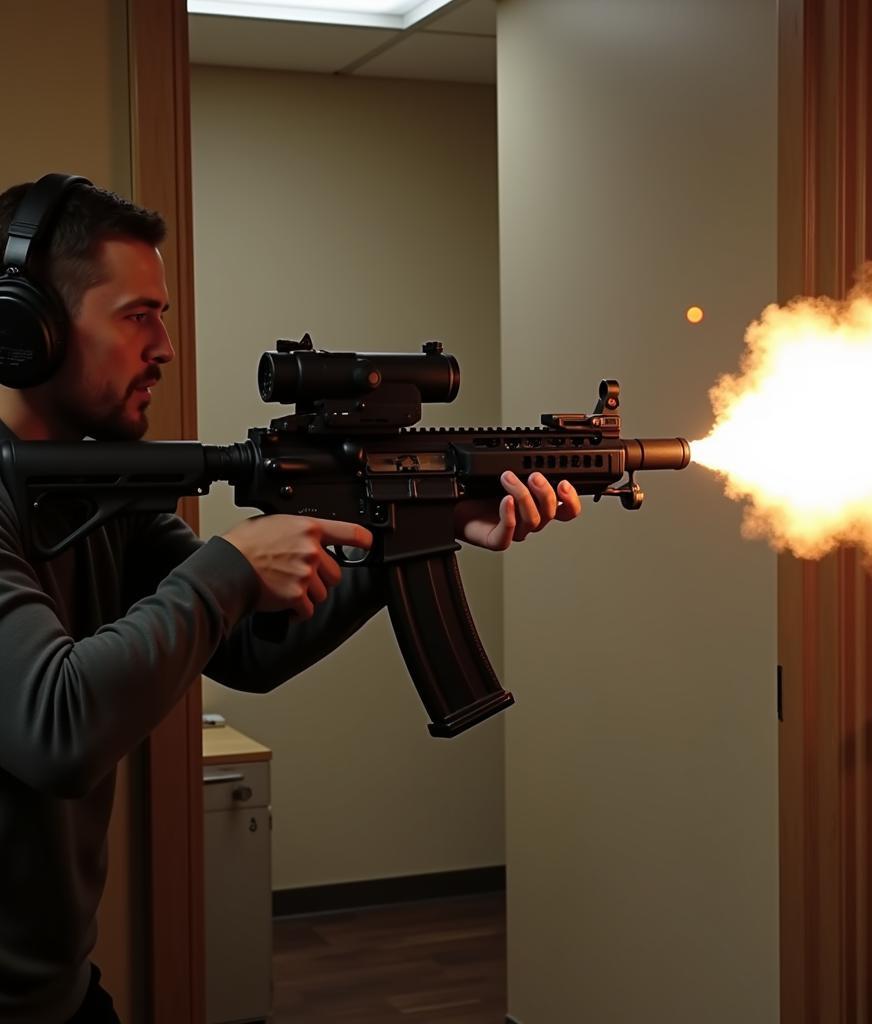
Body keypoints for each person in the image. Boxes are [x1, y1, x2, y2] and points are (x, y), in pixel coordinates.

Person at [0, 175, 582, 1024]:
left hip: (58, 993)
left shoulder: (103, 496)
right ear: (28, 331)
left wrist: (413, 534)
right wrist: (232, 563)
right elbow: (56, 727)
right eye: (137, 316)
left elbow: (249, 652)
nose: (164, 346)